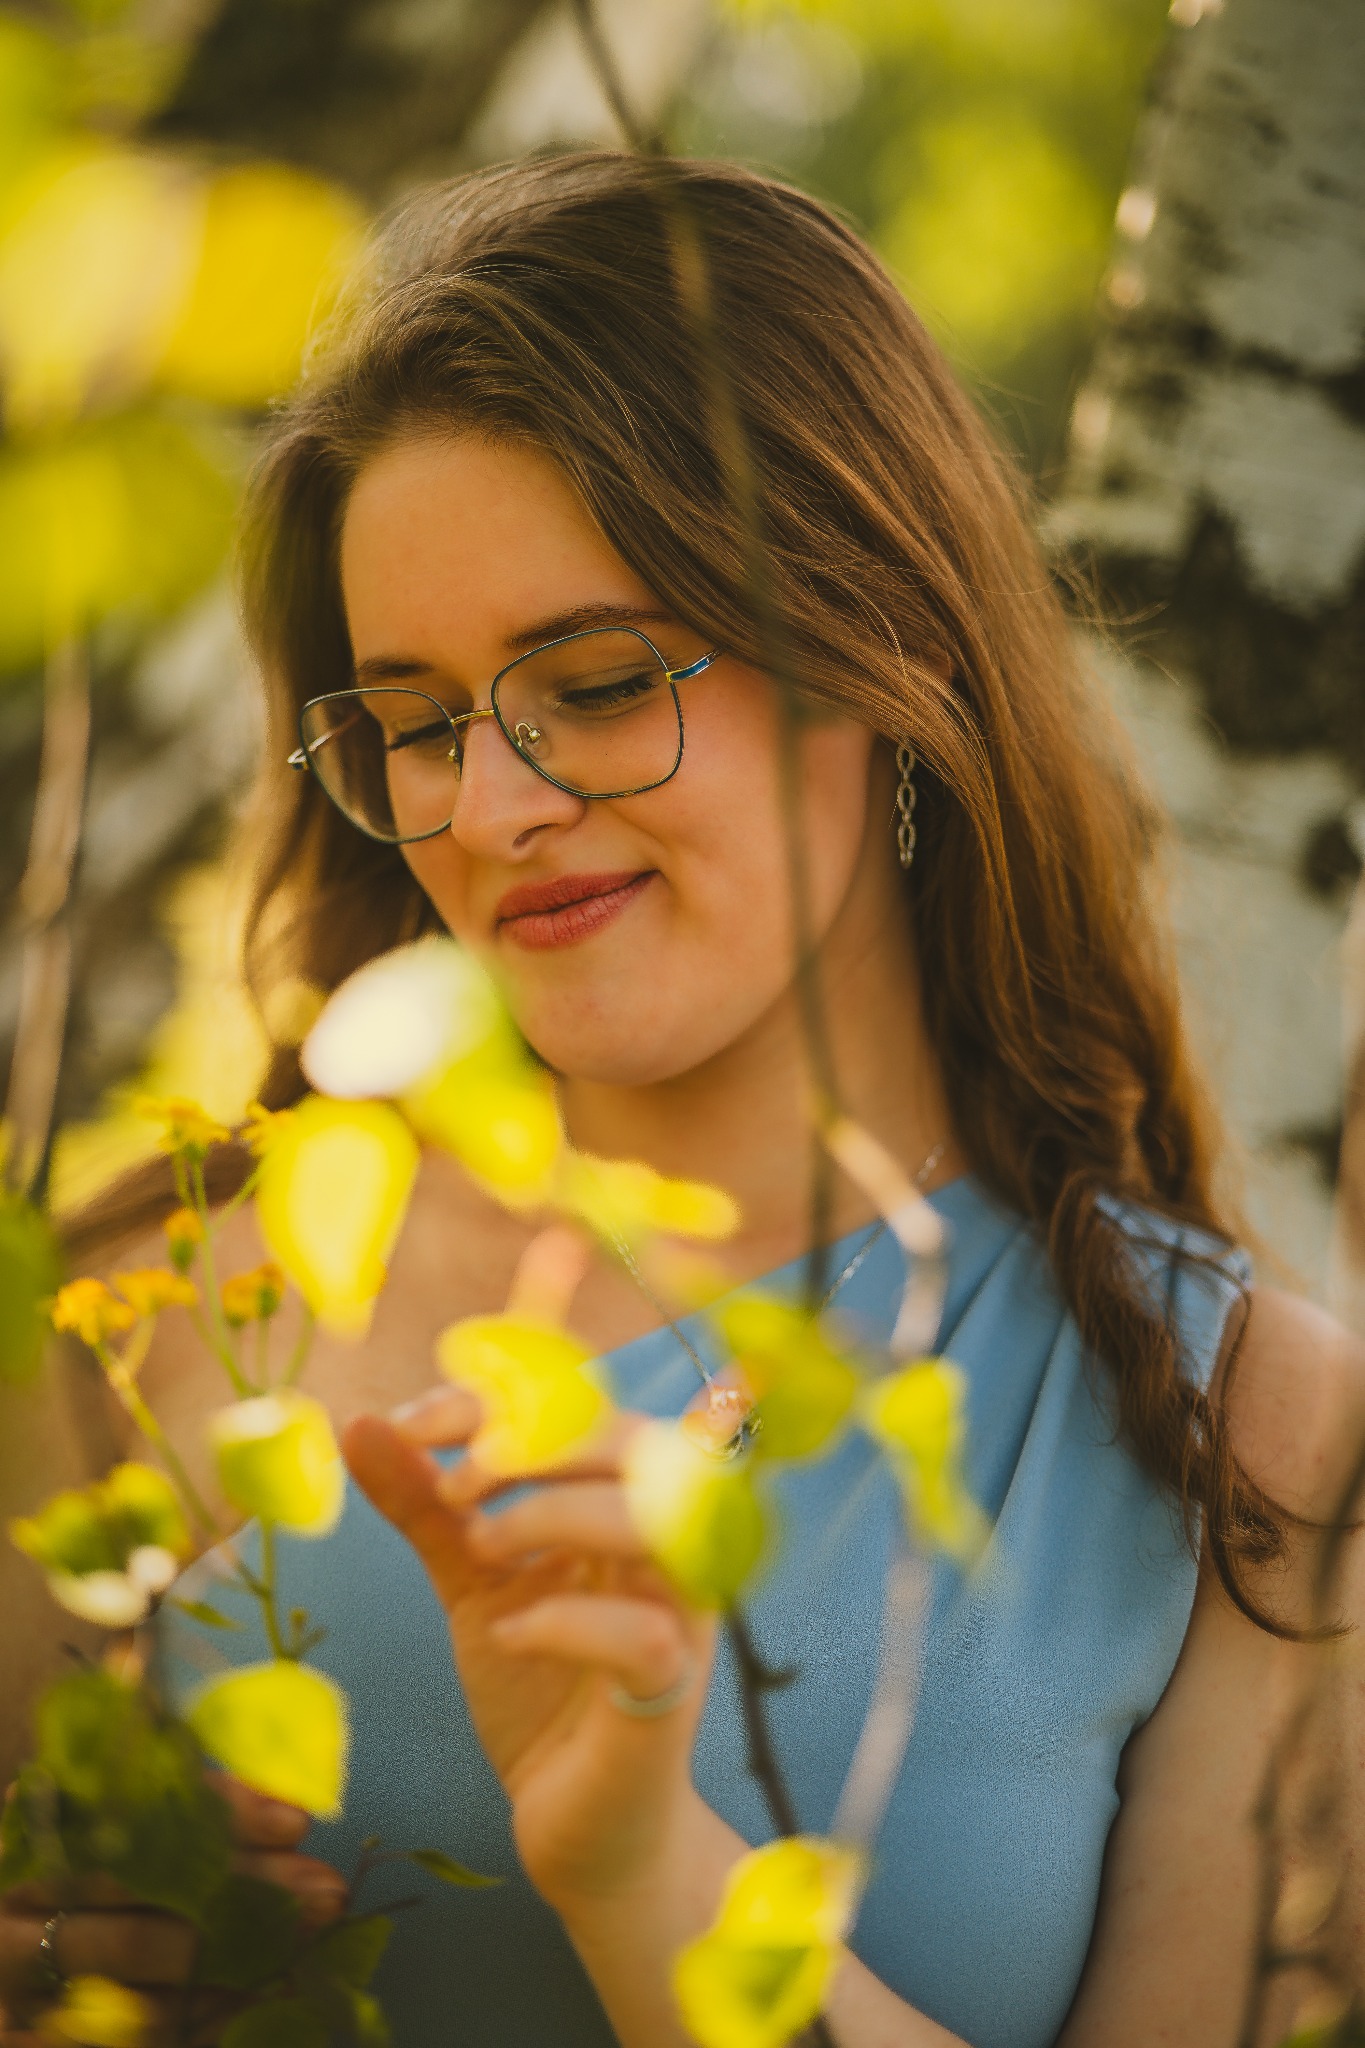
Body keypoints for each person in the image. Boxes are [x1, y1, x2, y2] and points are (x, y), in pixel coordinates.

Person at [3, 153, 1362, 2048]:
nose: (490, 810)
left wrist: (647, 1871)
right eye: (415, 724)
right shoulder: (154, 1315)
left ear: (880, 655)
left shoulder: (1240, 1435)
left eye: (597, 678)